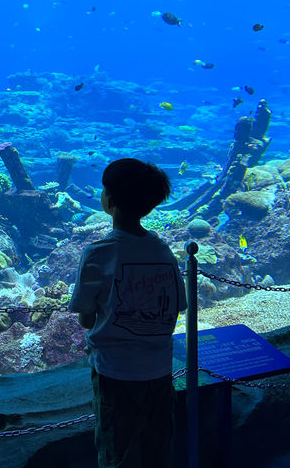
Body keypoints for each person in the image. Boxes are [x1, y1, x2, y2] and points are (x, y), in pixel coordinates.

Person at [68, 158, 187, 468]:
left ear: (109, 200)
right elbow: (177, 307)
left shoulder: (98, 253)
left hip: (115, 372)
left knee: (117, 451)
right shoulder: (163, 250)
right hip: (160, 371)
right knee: (158, 449)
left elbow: (85, 317)